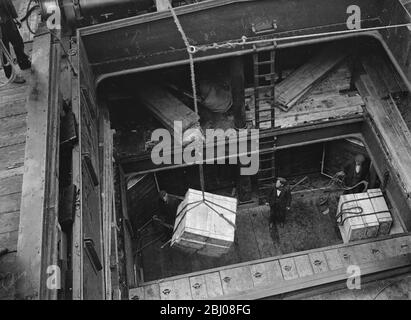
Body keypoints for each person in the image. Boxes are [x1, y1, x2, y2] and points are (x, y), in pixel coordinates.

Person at [0, 0, 31, 84]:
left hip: (8, 20)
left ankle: (23, 62)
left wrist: (14, 16)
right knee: (5, 52)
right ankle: (11, 75)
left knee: (18, 41)